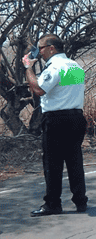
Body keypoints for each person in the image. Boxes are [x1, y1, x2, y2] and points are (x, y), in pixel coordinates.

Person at [23, 35, 88, 216]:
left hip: (57, 119)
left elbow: (39, 89)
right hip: (76, 117)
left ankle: (53, 203)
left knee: (53, 163)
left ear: (51, 48)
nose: (40, 52)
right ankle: (80, 201)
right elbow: (65, 90)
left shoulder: (55, 67)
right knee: (74, 160)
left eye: (41, 48)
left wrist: (28, 68)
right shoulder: (75, 66)